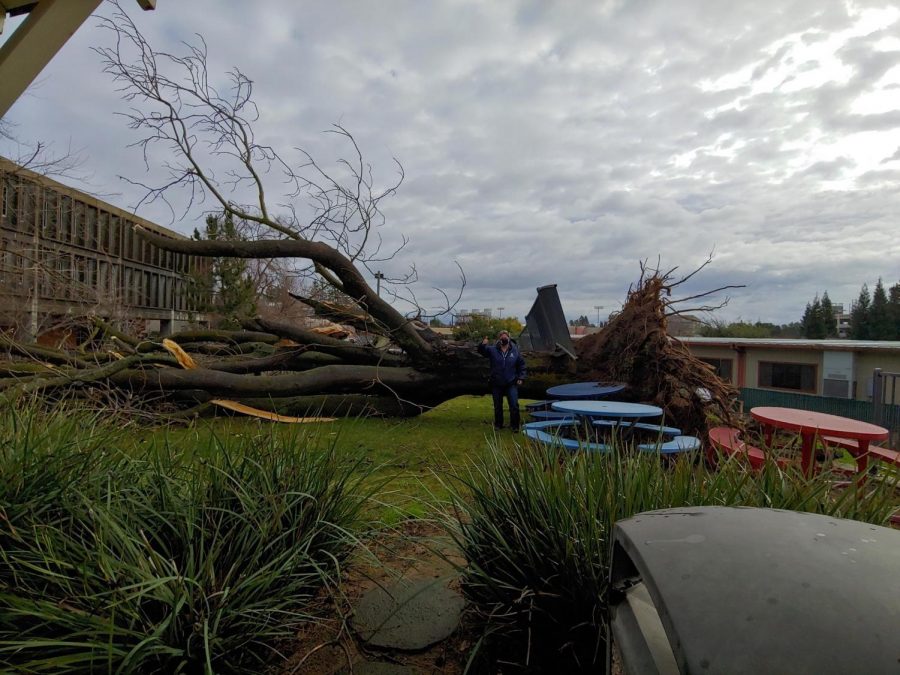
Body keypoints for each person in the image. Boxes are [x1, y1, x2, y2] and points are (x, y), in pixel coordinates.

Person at [478, 330, 526, 431]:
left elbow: (521, 365)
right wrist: (483, 344)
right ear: (499, 339)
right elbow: (482, 351)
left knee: (514, 405)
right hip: (496, 383)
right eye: (502, 337)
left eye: (505, 337)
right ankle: (498, 425)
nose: (503, 339)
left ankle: (515, 426)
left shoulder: (515, 351)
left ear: (509, 338)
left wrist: (521, 377)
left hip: (511, 382)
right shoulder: (492, 350)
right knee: (497, 405)